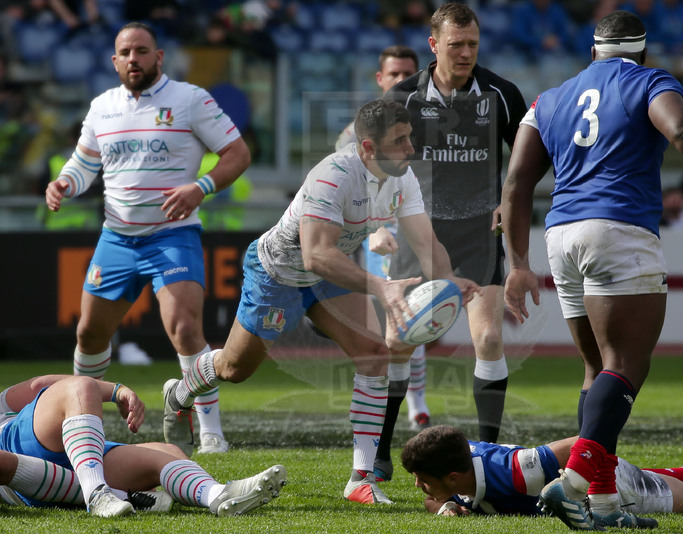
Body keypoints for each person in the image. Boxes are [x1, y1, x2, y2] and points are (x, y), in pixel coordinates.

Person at [501, 10, 683, 530]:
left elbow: (518, 179)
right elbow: (682, 131)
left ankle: (605, 502)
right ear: (641, 53)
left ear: (592, 52)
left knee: (598, 372)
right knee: (629, 364)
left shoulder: (551, 98)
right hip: (619, 231)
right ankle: (570, 484)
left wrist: (518, 264)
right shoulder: (648, 81)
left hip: (560, 236)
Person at [160, 99, 479, 505]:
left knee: (373, 353)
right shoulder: (334, 174)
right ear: (367, 148)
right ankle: (180, 393)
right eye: (399, 141)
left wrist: (450, 282)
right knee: (233, 368)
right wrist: (380, 288)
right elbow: (315, 255)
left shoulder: (403, 177)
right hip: (278, 273)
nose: (410, 148)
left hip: (329, 275)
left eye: (410, 137)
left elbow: (426, 242)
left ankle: (361, 479)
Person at [44, 21, 252, 455]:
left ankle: (211, 431)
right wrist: (64, 182)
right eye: (125, 52)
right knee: (88, 334)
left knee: (184, 328)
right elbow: (84, 164)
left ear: (159, 57)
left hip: (172, 236)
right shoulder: (102, 107)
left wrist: (201, 187)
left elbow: (238, 153)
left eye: (142, 50)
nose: (133, 58)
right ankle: (87, 423)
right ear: (114, 60)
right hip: (117, 239)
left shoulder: (190, 99)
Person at [379, 2, 528, 479]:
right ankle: (380, 453)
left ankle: (489, 458)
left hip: (478, 236)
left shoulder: (502, 95)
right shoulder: (402, 99)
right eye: (455, 45)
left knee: (487, 337)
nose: (465, 53)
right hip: (417, 235)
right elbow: (375, 170)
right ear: (433, 45)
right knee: (397, 343)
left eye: (473, 45)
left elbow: (531, 156)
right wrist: (380, 223)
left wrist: (511, 197)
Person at [0, 374, 287, 516]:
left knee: (166, 453)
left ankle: (217, 495)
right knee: (81, 387)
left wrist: (117, 390)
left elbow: (38, 386)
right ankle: (99, 494)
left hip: (59, 461)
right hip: (18, 458)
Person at [335, 45, 433, 439]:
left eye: (408, 74)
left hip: (419, 225)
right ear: (380, 79)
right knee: (395, 320)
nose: (400, 81)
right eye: (394, 74)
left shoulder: (426, 125)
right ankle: (392, 407)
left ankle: (417, 405)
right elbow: (345, 188)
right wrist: (374, 229)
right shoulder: (353, 133)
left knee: (415, 314)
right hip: (380, 235)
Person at [401, 425, 683, 520]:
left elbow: (585, 441)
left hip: (604, 487)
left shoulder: (517, 473)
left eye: (422, 477)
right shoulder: (460, 469)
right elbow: (435, 496)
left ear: (454, 477)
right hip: (599, 479)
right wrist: (451, 506)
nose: (419, 487)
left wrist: (602, 486)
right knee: (665, 480)